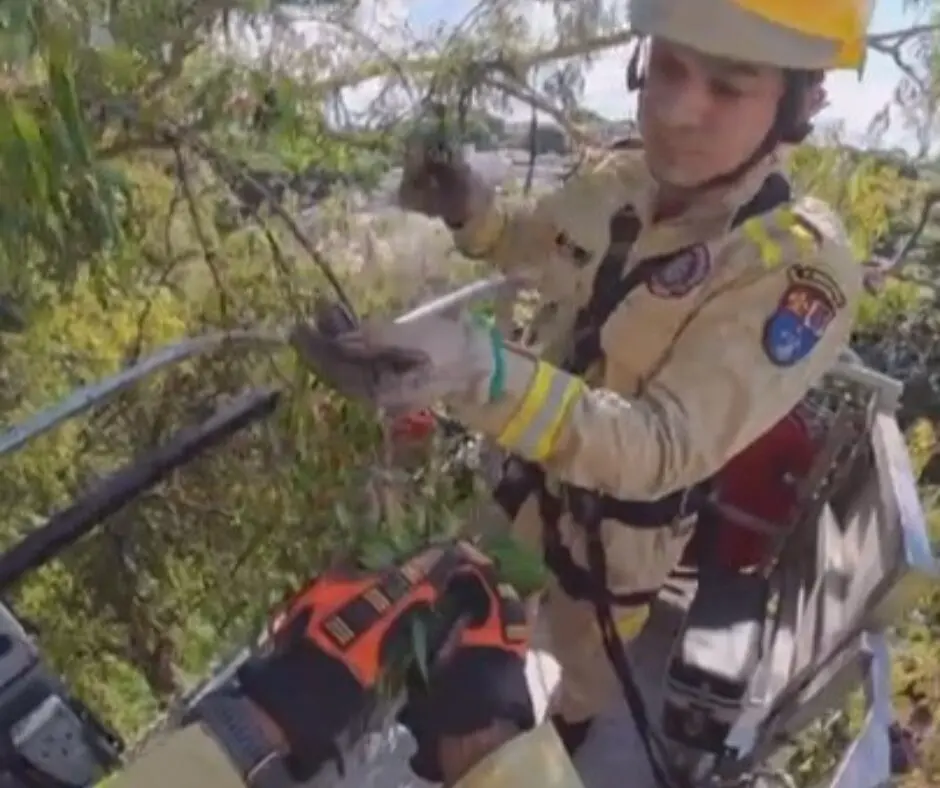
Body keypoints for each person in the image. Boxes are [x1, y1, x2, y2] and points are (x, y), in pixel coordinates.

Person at [291, 0, 875, 785]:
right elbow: (533, 250)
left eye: (728, 88)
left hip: (620, 535)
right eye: (667, 66)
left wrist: (477, 369)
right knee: (465, 637)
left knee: (580, 674)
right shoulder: (625, 177)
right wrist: (471, 211)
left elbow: (662, 445)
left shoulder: (794, 266)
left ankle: (559, 740)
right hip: (521, 484)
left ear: (801, 104)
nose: (676, 111)